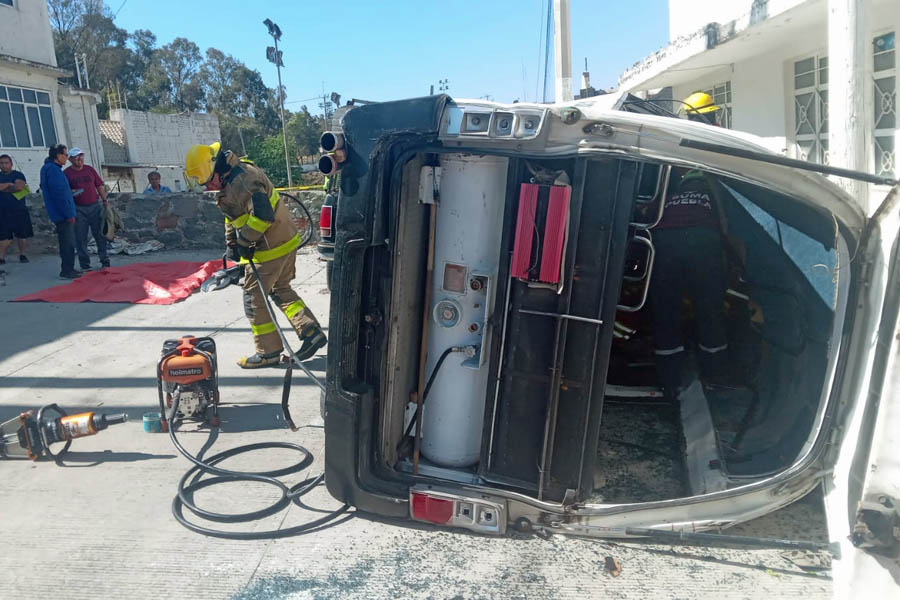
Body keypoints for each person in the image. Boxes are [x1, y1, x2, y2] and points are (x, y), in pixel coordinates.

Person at [184, 142, 327, 368]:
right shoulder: (232, 177)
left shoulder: (244, 182)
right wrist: (231, 240)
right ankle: (311, 332)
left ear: (216, 169)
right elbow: (233, 214)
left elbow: (262, 217)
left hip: (269, 248)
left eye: (207, 180)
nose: (206, 186)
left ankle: (268, 353)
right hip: (284, 240)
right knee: (281, 290)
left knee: (254, 299)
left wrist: (244, 242)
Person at [648, 93, 730, 397]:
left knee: (666, 310)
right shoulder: (718, 153)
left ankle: (670, 379)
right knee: (709, 307)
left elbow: (652, 207)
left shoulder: (672, 153)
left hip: (665, 243)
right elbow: (724, 218)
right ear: (714, 117)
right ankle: (716, 374)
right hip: (702, 241)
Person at [64, 147, 109, 270]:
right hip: (78, 208)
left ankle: (104, 260)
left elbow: (99, 185)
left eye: (81, 156)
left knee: (100, 235)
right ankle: (85, 264)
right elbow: (64, 191)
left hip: (94, 206)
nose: (80, 159)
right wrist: (72, 192)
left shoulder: (89, 169)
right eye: (76, 157)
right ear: (71, 159)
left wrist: (104, 200)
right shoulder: (67, 173)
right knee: (80, 237)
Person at [39, 144, 80, 279]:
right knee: (68, 243)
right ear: (58, 156)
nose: (67, 158)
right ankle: (67, 270)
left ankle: (68, 268)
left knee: (66, 242)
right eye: (65, 155)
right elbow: (59, 194)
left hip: (58, 212)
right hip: (62, 214)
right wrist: (69, 214)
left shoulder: (49, 169)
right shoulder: (53, 170)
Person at [0, 154, 33, 264]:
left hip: (19, 209)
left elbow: (19, 187)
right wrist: (10, 184)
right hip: (3, 211)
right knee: (3, 236)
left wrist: (4, 187)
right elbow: (14, 187)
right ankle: (1, 257)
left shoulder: (18, 174)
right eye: (1, 163)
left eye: (6, 163)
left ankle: (22, 255)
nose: (4, 165)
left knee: (22, 235)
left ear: (11, 164)